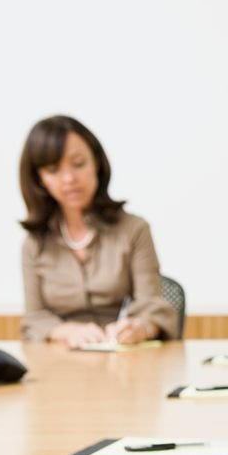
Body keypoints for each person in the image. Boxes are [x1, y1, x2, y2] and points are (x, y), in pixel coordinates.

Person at [19, 116, 178, 347]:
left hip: (126, 359)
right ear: (39, 179)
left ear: (96, 163)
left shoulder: (134, 230)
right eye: (53, 169)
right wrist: (64, 331)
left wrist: (142, 327)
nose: (69, 179)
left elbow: (153, 308)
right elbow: (34, 319)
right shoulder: (34, 243)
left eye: (78, 163)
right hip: (61, 361)